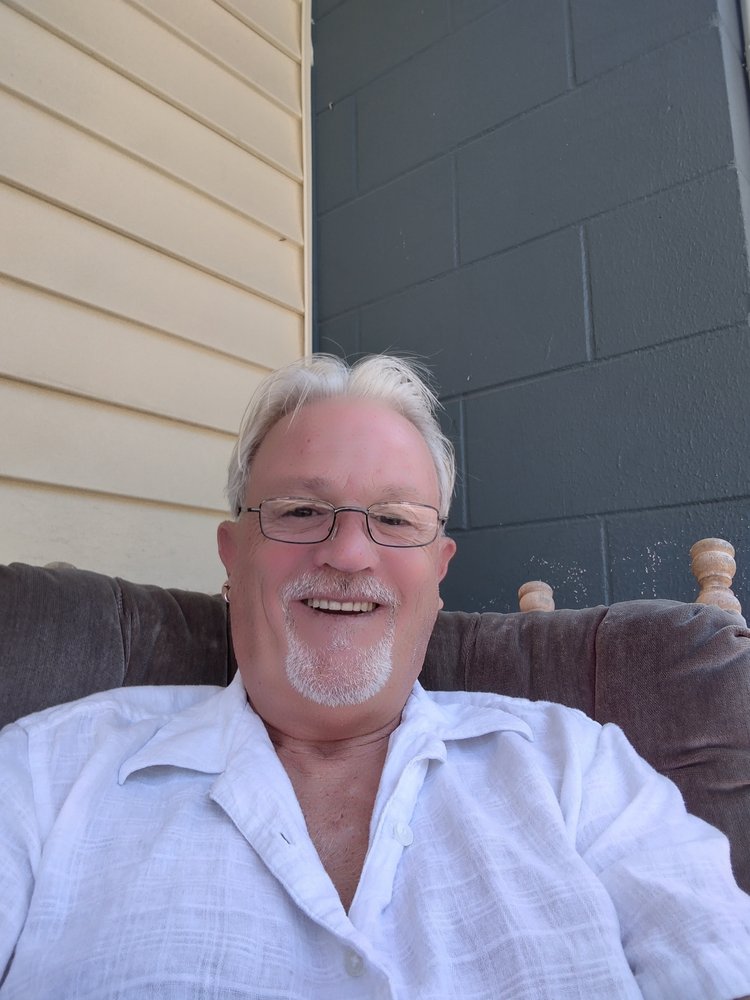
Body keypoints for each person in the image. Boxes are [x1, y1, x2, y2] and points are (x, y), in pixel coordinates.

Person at [1, 354, 749, 1000]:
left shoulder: (579, 770)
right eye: (301, 510)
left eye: (394, 520)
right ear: (233, 554)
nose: (351, 554)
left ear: (438, 571)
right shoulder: (44, 775)